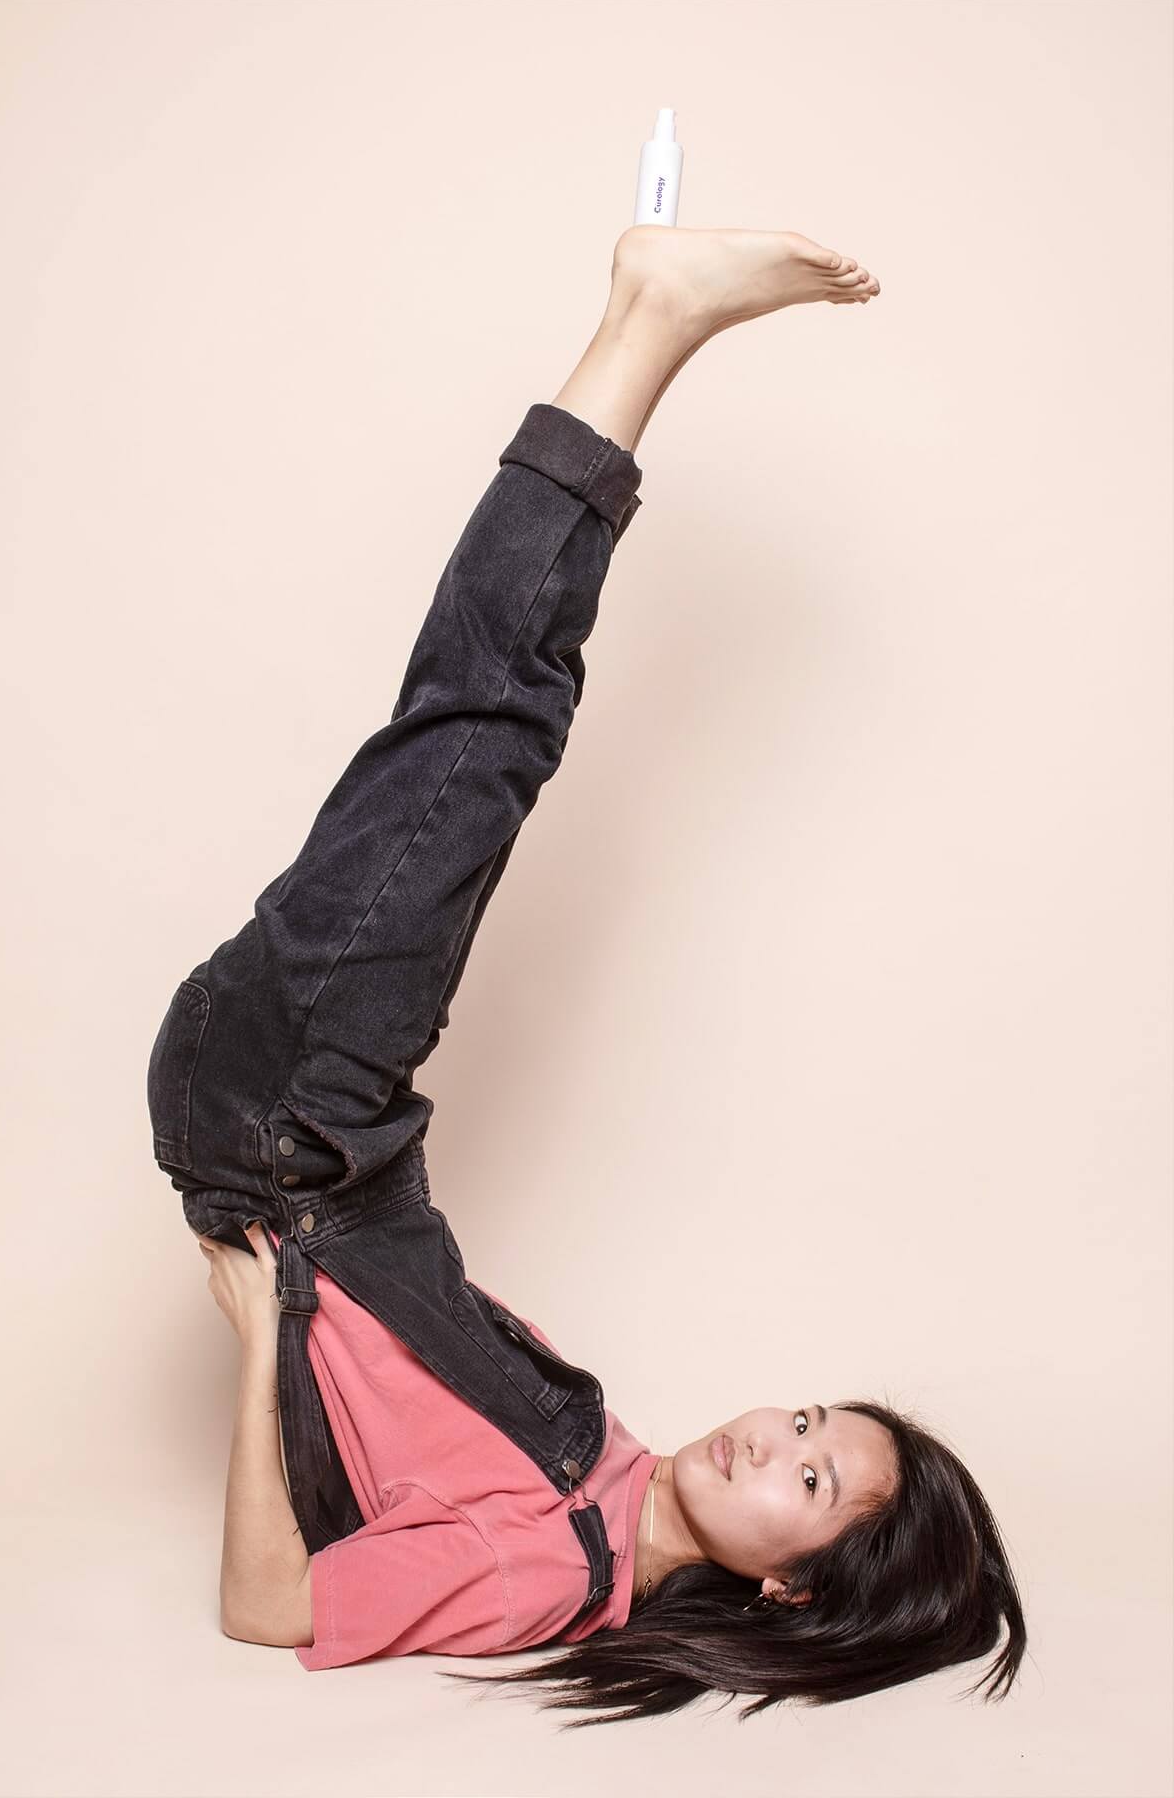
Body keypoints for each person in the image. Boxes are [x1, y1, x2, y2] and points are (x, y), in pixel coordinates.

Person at [164, 224, 1027, 1729]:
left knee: (486, 726)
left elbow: (269, 1606)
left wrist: (258, 1343)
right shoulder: (607, 1460)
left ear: (796, 1590)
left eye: (813, 1480)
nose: (776, 1438)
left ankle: (653, 320)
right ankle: (650, 316)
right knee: (498, 738)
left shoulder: (556, 1570)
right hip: (337, 1129)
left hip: (280, 1128)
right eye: (809, 1421)